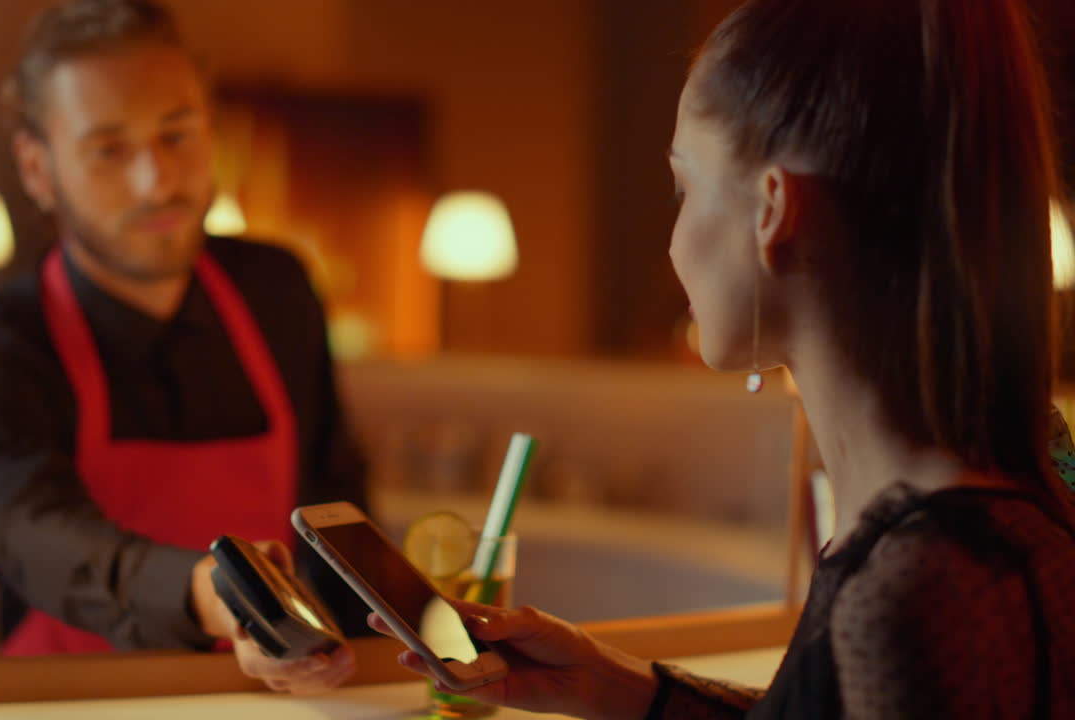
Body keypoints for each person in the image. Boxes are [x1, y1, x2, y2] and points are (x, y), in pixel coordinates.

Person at [372, 0, 1075, 716]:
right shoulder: (1010, 487)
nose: (673, 244)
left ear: (772, 209)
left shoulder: (916, 588)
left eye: (683, 187)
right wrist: (621, 689)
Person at [0, 0, 367, 694]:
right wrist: (216, 594)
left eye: (177, 135)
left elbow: (338, 513)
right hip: (68, 705)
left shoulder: (277, 292)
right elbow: (42, 539)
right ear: (37, 168)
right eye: (109, 149)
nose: (156, 180)